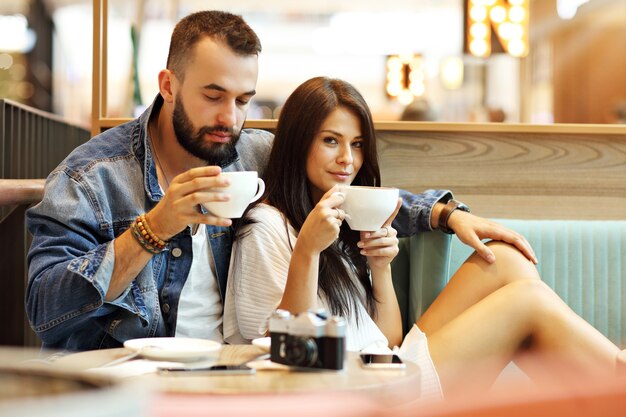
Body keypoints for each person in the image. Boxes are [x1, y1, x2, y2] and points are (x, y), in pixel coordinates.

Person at [26, 10, 534, 351]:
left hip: (234, 376)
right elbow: (45, 308)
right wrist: (152, 229)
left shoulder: (250, 155)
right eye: (213, 94)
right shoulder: (90, 178)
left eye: (244, 100)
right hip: (125, 378)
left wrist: (447, 213)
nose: (230, 116)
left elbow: (343, 189)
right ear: (169, 86)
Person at [223, 77, 624, 400]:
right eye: (331, 141)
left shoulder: (338, 220)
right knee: (528, 301)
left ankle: (605, 384)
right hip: (357, 395)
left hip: (385, 368)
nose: (348, 159)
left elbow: (387, 339)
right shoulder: (266, 227)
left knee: (503, 258)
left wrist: (379, 268)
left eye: (357, 144)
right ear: (298, 145)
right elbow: (281, 354)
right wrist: (307, 251)